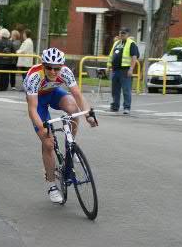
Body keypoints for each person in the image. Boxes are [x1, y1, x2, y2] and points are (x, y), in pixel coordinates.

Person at [23, 47, 97, 203]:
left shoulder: (65, 72)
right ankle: (51, 185)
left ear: (61, 67)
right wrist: (43, 131)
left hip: (54, 93)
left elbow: (77, 94)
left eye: (56, 68)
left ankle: (71, 145)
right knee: (48, 144)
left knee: (73, 108)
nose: (53, 71)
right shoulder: (34, 76)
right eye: (48, 67)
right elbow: (32, 109)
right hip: (38, 102)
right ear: (43, 65)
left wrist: (88, 115)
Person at [107, 28, 139, 114]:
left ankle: (127, 107)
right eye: (121, 33)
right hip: (115, 70)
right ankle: (115, 106)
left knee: (126, 90)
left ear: (128, 34)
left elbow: (134, 57)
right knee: (115, 90)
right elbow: (111, 55)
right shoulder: (116, 43)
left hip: (125, 70)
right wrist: (108, 67)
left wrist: (131, 69)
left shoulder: (131, 43)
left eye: (124, 33)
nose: (122, 35)